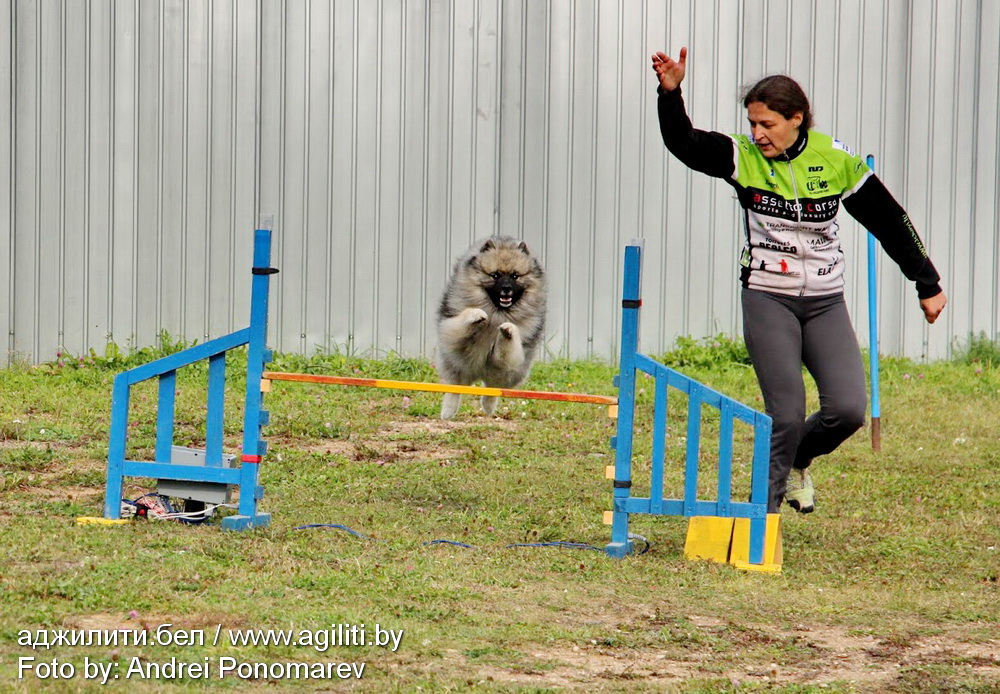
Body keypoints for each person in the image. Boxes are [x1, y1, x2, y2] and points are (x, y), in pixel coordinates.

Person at [650, 47, 948, 514]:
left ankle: (796, 461)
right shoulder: (743, 156)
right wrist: (671, 94)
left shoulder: (835, 159)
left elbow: (889, 219)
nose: (757, 133)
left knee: (846, 410)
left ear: (797, 119)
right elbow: (684, 144)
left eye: (767, 124)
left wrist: (926, 282)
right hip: (768, 297)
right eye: (752, 123)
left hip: (826, 301)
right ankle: (760, 518)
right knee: (786, 415)